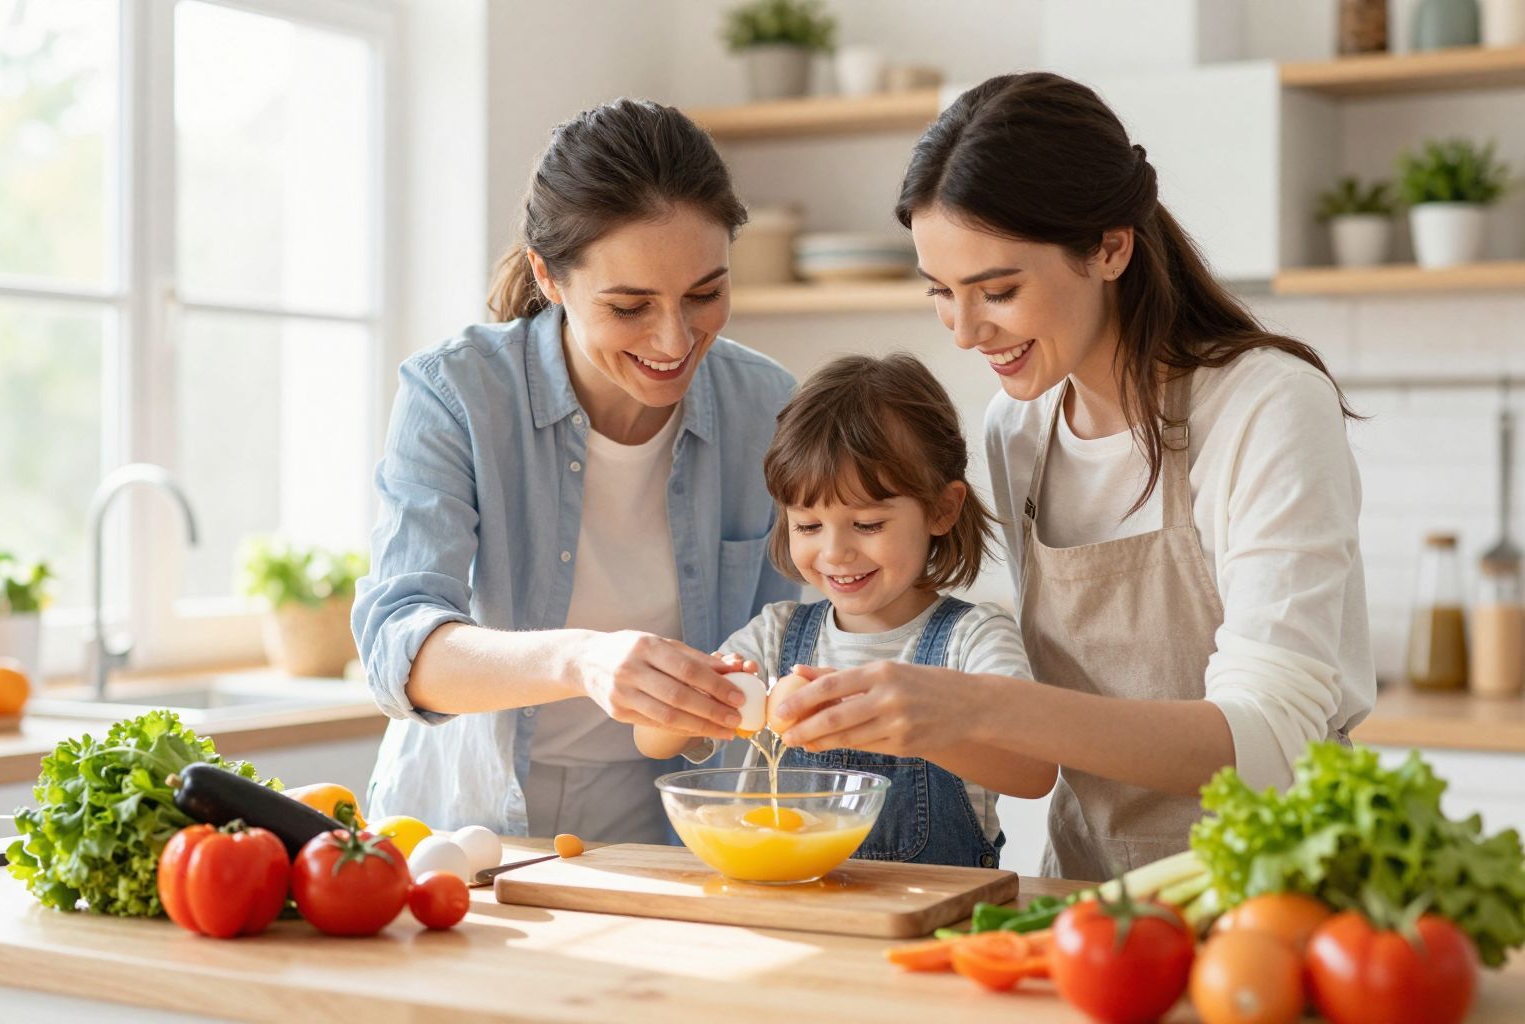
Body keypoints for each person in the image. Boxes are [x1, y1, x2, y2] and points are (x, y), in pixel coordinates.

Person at [772, 72, 1377, 880]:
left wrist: (974, 705)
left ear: (1109, 247)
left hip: (1274, 894)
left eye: (997, 290)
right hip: (1086, 895)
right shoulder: (1018, 427)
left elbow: (1270, 742)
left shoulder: (1265, 405)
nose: (964, 331)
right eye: (942, 294)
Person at [352, 98, 798, 840]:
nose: (675, 337)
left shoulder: (768, 409)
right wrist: (583, 657)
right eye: (629, 306)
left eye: (706, 294)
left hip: (676, 833)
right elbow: (401, 650)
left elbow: (794, 638)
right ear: (548, 277)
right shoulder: (457, 394)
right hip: (464, 828)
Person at [636, 353, 1052, 868]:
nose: (834, 553)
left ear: (942, 509)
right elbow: (653, 742)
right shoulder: (775, 637)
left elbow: (1034, 771)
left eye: (868, 524)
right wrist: (700, 695)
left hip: (932, 918)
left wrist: (913, 726)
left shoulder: (973, 638)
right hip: (793, 914)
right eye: (808, 526)